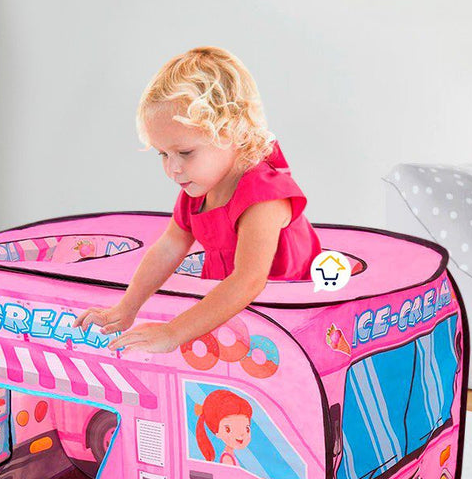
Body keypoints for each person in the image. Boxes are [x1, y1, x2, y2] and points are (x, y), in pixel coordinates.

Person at [74, 46, 322, 353]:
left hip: (288, 326)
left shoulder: (263, 196)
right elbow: (168, 248)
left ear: (229, 131)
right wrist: (126, 308)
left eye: (185, 152)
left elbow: (248, 281)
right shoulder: (198, 192)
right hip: (228, 318)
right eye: (163, 154)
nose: (173, 168)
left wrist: (172, 333)